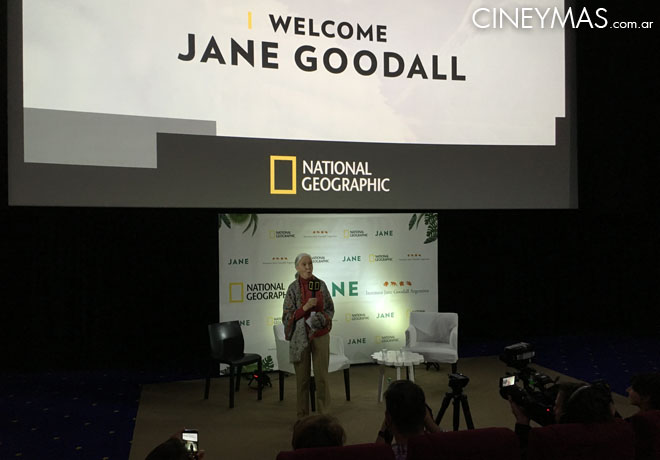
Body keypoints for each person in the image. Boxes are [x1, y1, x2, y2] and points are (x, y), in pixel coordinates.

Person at [282, 253, 335, 418]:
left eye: (310, 263)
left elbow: (330, 309)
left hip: (320, 335)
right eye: (304, 264)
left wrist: (321, 318)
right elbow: (286, 317)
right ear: (297, 267)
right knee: (302, 380)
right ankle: (302, 417)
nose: (308, 267)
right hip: (300, 338)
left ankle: (324, 415)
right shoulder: (292, 288)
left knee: (322, 378)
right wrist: (304, 308)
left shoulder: (320, 285)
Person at [510, 381, 615, 452]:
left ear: (566, 416)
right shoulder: (614, 434)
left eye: (556, 405)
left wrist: (522, 423)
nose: (553, 409)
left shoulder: (550, 443)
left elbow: (522, 454)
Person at [375, 380, 441, 460]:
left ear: (388, 419)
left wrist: (384, 430)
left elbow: (375, 454)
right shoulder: (444, 451)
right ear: (424, 414)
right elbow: (447, 441)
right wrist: (431, 423)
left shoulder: (391, 454)